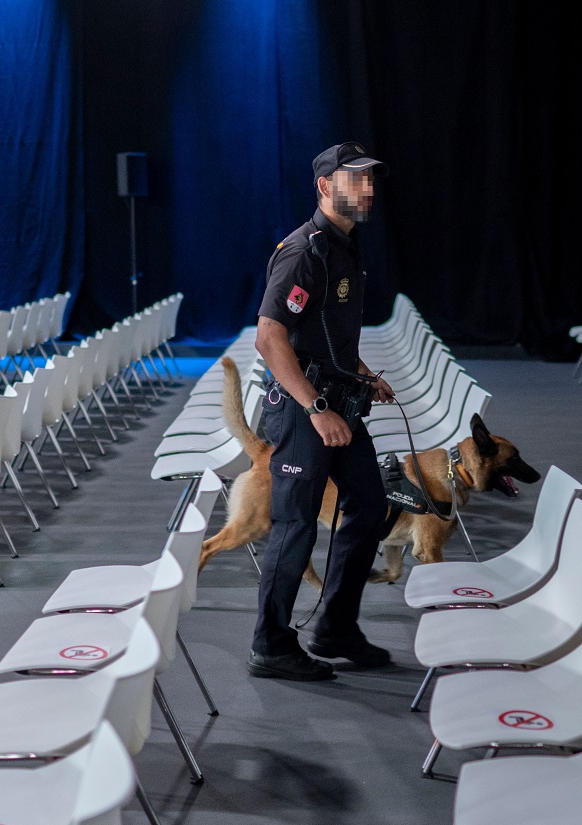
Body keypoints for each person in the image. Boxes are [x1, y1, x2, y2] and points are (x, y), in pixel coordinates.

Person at [247, 141, 396, 681]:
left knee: (370, 503)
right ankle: (271, 645)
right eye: (354, 179)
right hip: (303, 408)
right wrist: (314, 407)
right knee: (295, 524)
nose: (367, 188)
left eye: (370, 179)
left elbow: (326, 333)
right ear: (325, 186)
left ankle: (334, 625)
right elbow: (270, 337)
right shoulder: (304, 249)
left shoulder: (346, 247)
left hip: (337, 400)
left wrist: (363, 374)